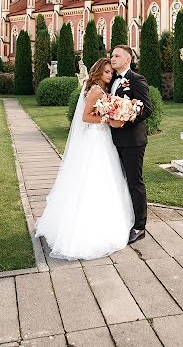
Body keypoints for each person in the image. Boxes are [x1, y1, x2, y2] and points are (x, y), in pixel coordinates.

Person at [35, 57, 134, 260]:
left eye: (111, 72)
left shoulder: (99, 88)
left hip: (101, 137)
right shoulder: (97, 89)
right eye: (107, 72)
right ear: (98, 72)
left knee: (106, 177)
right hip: (95, 138)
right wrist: (107, 118)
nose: (110, 75)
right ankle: (85, 231)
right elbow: (85, 117)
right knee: (94, 177)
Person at [110, 45, 152, 244]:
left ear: (128, 59)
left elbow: (146, 109)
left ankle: (139, 227)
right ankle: (123, 218)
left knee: (135, 182)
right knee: (117, 181)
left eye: (117, 56)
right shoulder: (111, 80)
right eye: (112, 55)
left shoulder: (137, 80)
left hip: (132, 141)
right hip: (112, 140)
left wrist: (124, 119)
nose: (112, 58)